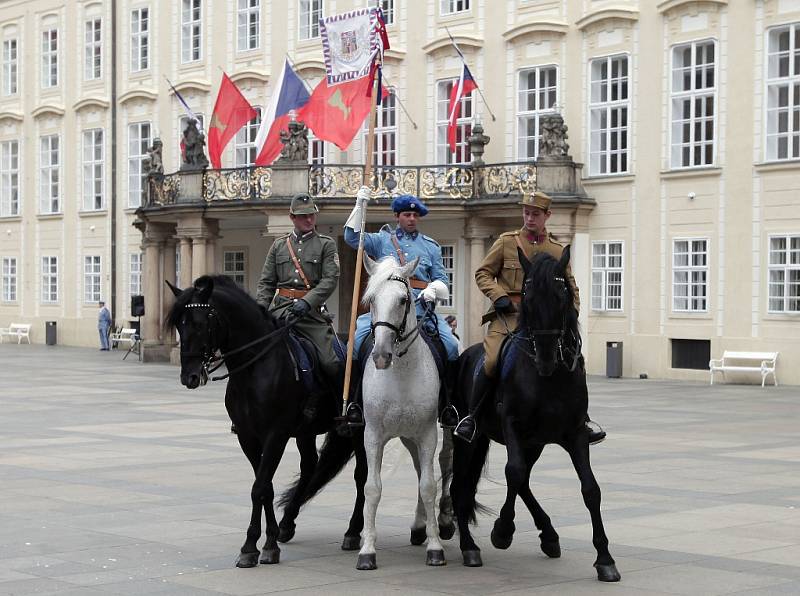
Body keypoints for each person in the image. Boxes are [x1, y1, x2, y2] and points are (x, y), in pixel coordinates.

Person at [453, 190, 606, 444]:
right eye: (526, 212)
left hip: (546, 321)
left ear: (547, 215)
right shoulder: (506, 242)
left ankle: (582, 419)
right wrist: (498, 295)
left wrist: (570, 312)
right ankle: (473, 417)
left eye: (535, 214)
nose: (530, 218)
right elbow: (483, 274)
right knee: (491, 361)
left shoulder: (556, 249)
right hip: (510, 316)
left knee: (574, 357)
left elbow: (570, 286)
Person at [342, 185, 460, 428]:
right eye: (407, 215)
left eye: (415, 215)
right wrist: (358, 206)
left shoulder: (431, 247)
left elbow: (443, 280)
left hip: (421, 312)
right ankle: (355, 403)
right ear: (397, 217)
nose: (412, 219)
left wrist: (433, 289)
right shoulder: (381, 240)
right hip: (385, 313)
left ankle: (449, 405)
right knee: (354, 346)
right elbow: (352, 238)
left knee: (451, 346)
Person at [256, 193, 342, 420]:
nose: (309, 220)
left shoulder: (326, 244)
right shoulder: (279, 246)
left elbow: (330, 280)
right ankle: (246, 409)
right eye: (303, 216)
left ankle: (333, 406)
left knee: (330, 362)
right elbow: (266, 282)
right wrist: (260, 311)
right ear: (292, 217)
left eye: (311, 215)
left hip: (310, 315)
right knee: (253, 353)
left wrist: (307, 302)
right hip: (280, 310)